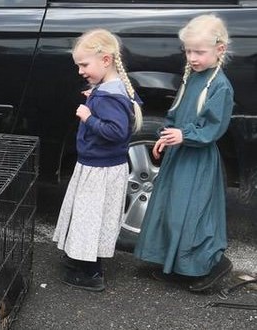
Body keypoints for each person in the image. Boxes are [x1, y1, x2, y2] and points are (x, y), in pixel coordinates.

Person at [133, 14, 234, 292]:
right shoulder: (193, 77)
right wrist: (166, 135)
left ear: (219, 50)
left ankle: (209, 265)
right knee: (170, 210)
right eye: (188, 51)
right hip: (179, 156)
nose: (192, 57)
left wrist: (185, 135)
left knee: (192, 216)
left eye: (199, 52)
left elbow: (214, 127)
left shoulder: (220, 86)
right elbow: (176, 113)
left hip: (197, 161)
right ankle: (174, 265)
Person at [52, 29, 143, 292]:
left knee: (90, 218)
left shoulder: (109, 96)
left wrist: (88, 116)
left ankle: (91, 274)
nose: (80, 71)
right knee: (91, 216)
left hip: (99, 168)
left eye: (84, 64)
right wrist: (95, 98)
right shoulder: (113, 88)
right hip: (102, 167)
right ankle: (79, 260)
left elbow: (115, 131)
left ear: (105, 60)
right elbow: (126, 110)